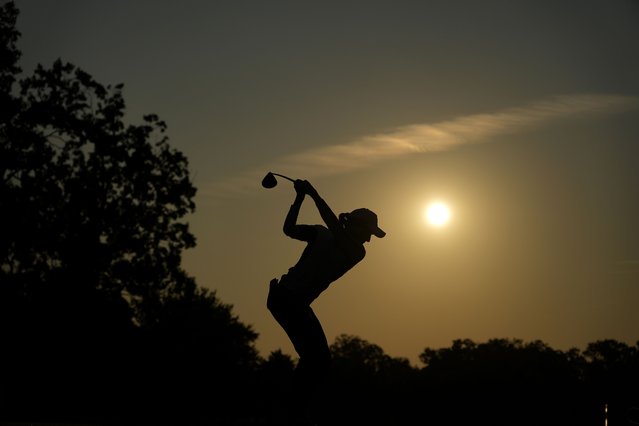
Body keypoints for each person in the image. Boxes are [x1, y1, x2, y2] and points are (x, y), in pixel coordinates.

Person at [267, 179, 385, 425]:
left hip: (289, 301)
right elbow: (289, 229)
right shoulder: (322, 233)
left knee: (316, 360)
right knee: (318, 360)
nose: (369, 240)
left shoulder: (356, 252)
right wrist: (301, 197)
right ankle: (292, 412)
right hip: (287, 299)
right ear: (354, 226)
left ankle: (290, 409)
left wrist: (312, 195)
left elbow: (333, 226)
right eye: (368, 232)